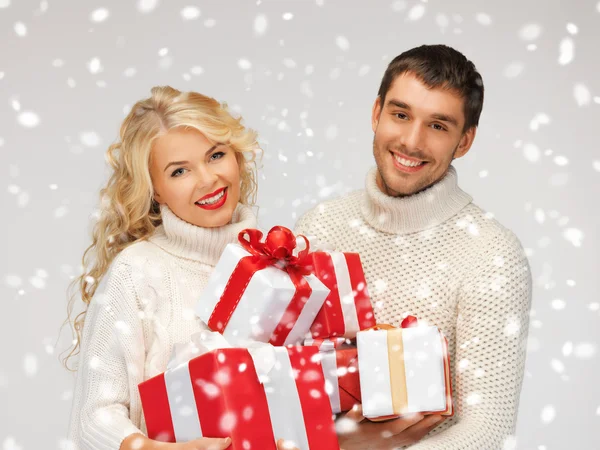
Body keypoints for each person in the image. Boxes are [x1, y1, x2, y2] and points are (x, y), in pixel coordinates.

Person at [295, 45, 532, 449]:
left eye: (438, 126)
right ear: (376, 113)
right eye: (400, 115)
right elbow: (282, 379)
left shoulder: (492, 255)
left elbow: (487, 430)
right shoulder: (320, 226)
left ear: (465, 141)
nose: (411, 141)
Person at [63, 86, 295, 450]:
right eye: (179, 171)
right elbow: (93, 417)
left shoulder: (281, 261)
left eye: (216, 155)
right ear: (155, 189)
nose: (207, 179)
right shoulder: (137, 272)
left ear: (237, 157)